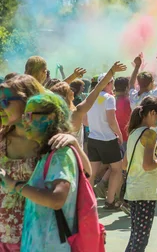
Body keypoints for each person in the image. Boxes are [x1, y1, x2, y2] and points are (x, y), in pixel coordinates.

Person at [0, 93, 80, 252]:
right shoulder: (47, 153)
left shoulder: (60, 154)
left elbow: (57, 199)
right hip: (38, 242)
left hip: (50, 244)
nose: (25, 121)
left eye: (29, 116)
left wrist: (14, 185)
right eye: (24, 116)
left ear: (50, 117)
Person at [124, 96, 157, 251]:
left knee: (135, 236)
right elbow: (148, 165)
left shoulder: (133, 132)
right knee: (141, 239)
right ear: (152, 113)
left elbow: (125, 164)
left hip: (133, 189)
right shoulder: (150, 134)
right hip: (145, 190)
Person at [87, 70, 124, 210]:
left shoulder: (91, 96)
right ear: (108, 83)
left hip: (93, 138)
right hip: (107, 139)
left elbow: (85, 120)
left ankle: (88, 201)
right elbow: (112, 120)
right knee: (116, 169)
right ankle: (110, 201)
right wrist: (119, 134)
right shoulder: (109, 98)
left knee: (92, 172)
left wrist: (95, 125)